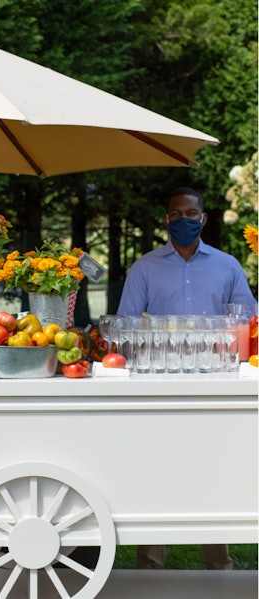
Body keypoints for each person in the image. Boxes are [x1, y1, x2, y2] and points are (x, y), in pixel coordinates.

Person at [117, 187, 256, 570]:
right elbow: (126, 325)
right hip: (159, 382)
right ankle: (149, 563)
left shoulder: (228, 266)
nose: (183, 219)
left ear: (204, 218)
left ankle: (219, 562)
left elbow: (247, 322)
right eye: (175, 213)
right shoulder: (144, 268)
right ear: (166, 219)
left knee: (212, 466)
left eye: (190, 213)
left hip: (215, 382)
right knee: (155, 465)